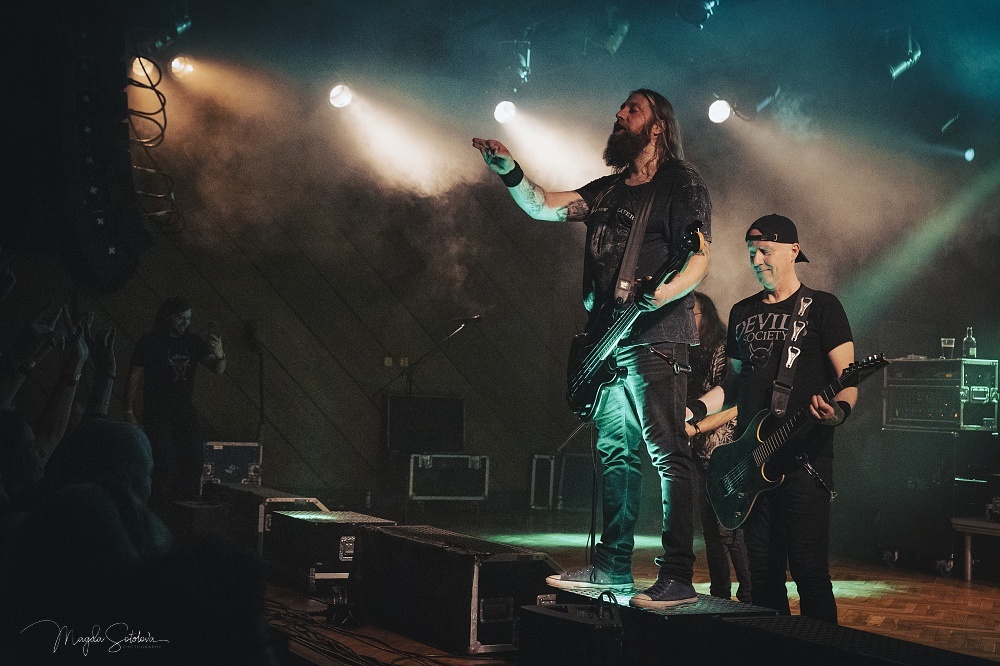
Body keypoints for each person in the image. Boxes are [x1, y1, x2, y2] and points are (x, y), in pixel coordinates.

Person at [474, 88, 711, 608]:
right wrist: (509, 170)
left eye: (633, 110)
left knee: (667, 452)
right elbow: (541, 204)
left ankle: (677, 575)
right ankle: (612, 566)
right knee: (615, 455)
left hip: (656, 335)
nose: (619, 115)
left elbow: (699, 257)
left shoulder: (682, 184)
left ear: (658, 126)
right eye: (620, 108)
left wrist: (664, 293)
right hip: (605, 339)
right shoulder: (608, 191)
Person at [688, 214, 856, 623]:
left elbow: (848, 379)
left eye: (765, 251)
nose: (757, 261)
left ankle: (823, 651)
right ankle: (772, 649)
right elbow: (732, 384)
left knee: (809, 573)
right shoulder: (742, 312)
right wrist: (694, 410)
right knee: (763, 577)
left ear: (793, 251)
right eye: (751, 253)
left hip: (803, 462)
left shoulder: (823, 307)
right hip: (753, 463)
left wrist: (838, 412)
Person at [125, 297, 226, 511]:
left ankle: (184, 511)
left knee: (195, 460)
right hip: (157, 411)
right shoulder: (150, 342)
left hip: (184, 410)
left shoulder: (192, 341)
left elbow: (217, 369)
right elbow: (134, 376)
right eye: (181, 318)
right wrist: (129, 410)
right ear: (167, 317)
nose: (186, 323)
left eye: (189, 318)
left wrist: (220, 354)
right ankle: (159, 511)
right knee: (165, 463)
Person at [685, 291, 750, 602]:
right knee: (714, 528)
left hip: (726, 450)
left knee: (727, 528)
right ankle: (725, 594)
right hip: (702, 450)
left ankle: (743, 594)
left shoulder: (724, 350)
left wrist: (697, 426)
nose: (686, 320)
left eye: (692, 314)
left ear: (706, 316)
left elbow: (734, 405)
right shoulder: (692, 354)